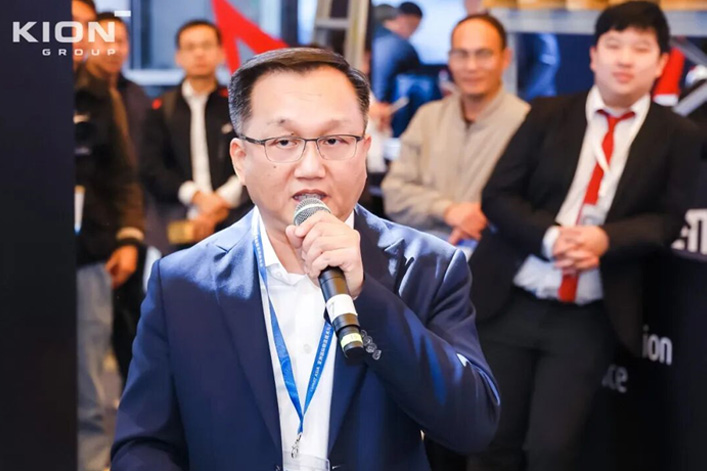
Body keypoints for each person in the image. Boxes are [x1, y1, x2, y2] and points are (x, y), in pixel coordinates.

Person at [111, 47, 500, 471]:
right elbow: (143, 444)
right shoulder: (183, 283)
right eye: (284, 142)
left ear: (364, 150)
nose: (311, 167)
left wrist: (366, 298)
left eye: (334, 141)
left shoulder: (427, 267)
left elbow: (471, 426)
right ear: (241, 159)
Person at [467, 2, 702, 470]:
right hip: (511, 299)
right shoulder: (548, 112)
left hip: (588, 313)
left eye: (640, 48)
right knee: (492, 440)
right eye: (613, 45)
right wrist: (551, 239)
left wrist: (606, 240)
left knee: (553, 451)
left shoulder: (678, 134)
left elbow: (668, 220)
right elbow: (497, 195)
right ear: (593, 55)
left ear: (662, 62)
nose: (625, 58)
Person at [382, 14, 529, 249]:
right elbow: (394, 195)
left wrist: (485, 219)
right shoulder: (428, 117)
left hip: (494, 256)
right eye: (461, 54)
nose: (471, 66)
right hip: (424, 256)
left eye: (483, 54)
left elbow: (532, 209)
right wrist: (448, 211)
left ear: (505, 58)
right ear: (449, 59)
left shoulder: (526, 123)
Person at [72, 1, 145, 470]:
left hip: (88, 254)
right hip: (20, 258)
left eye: (82, 27)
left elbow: (123, 178)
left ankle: (92, 463)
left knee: (89, 378)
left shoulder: (102, 96)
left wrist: (128, 238)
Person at [140, 20, 250, 255]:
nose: (199, 53)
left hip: (235, 222)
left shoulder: (237, 105)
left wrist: (219, 202)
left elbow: (252, 157)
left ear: (221, 53)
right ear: (178, 57)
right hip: (178, 227)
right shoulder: (162, 108)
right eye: (190, 47)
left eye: (206, 45)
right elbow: (151, 168)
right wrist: (197, 197)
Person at [86, 11, 153, 384]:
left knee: (131, 322)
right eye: (105, 39)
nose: (113, 49)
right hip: (90, 228)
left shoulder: (137, 97)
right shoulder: (76, 95)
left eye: (120, 41)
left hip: (131, 221)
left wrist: (133, 231)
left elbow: (135, 171)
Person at [371, 3, 422, 105]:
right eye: (413, 27)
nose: (413, 33)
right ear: (402, 19)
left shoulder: (373, 34)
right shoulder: (398, 45)